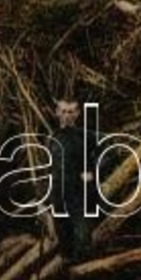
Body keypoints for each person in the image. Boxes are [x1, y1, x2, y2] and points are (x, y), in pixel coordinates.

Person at [49, 99, 100, 262]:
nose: (67, 116)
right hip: (58, 192)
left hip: (79, 193)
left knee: (83, 233)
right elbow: (50, 168)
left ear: (77, 114)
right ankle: (68, 271)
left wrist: (92, 173)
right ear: (57, 113)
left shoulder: (86, 136)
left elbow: (108, 150)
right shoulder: (52, 139)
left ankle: (84, 270)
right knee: (63, 234)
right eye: (63, 111)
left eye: (70, 112)